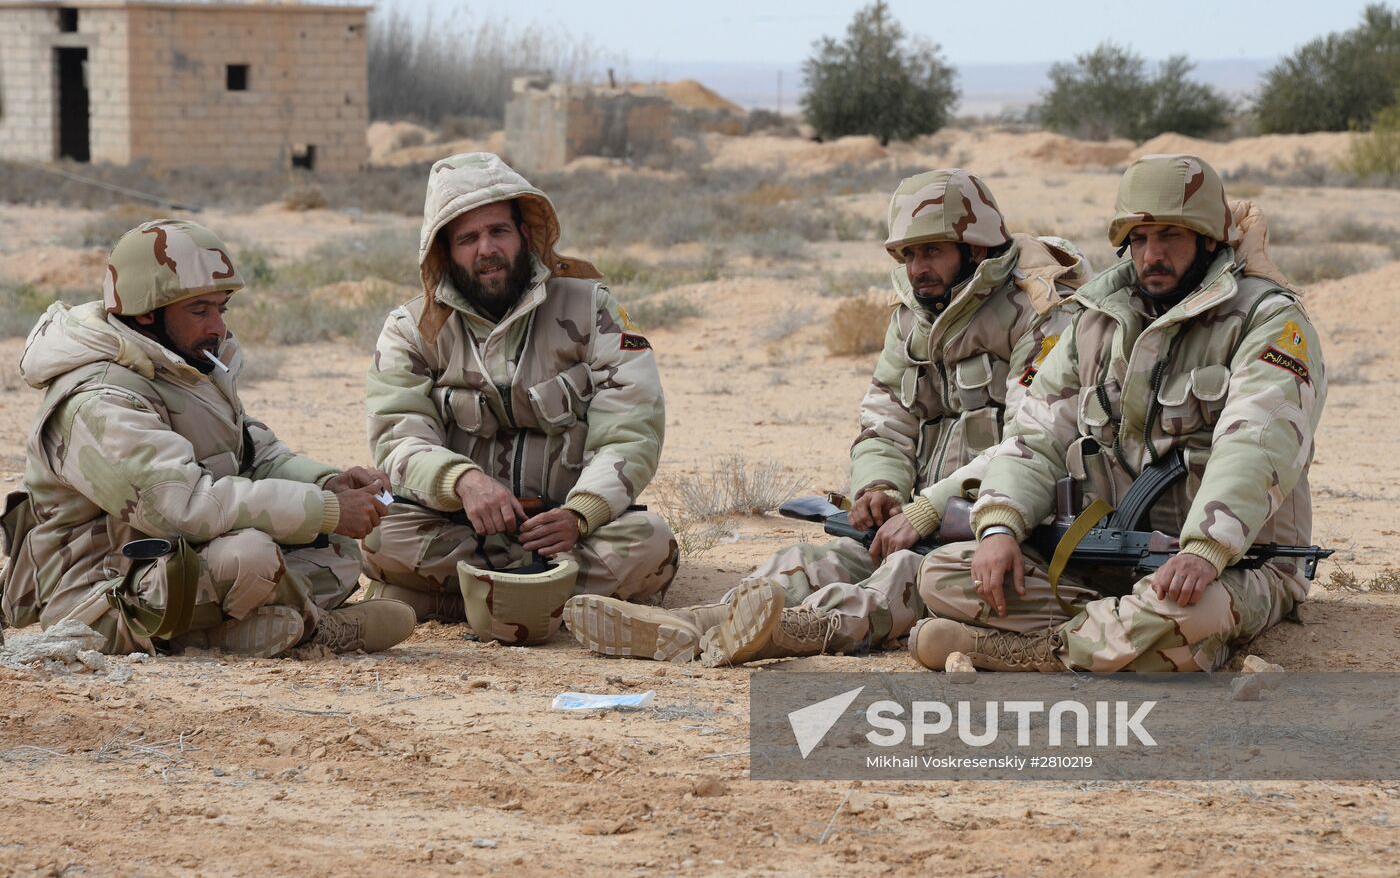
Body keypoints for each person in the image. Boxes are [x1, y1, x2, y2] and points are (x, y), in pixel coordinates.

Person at [565, 168, 1088, 664]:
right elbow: (886, 418)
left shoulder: (1041, 311)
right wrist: (877, 487)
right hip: (918, 518)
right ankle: (701, 621)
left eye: (931, 251)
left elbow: (1032, 441)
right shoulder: (917, 312)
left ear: (975, 249)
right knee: (805, 561)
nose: (916, 268)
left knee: (905, 574)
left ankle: (790, 633)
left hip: (1003, 524)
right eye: (907, 254)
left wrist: (929, 508)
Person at [911, 154, 1326, 673]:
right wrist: (999, 527)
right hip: (1106, 558)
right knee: (946, 573)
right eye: (1137, 239)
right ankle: (1134, 639)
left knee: (1192, 610)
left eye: (1170, 236)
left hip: (1232, 564)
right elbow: (1035, 436)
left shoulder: (1267, 319)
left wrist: (1204, 550)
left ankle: (1033, 651)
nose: (1151, 254)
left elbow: (1259, 442)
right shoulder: (1095, 321)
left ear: (1209, 240)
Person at [0, 220, 416, 657]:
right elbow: (182, 508)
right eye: (200, 311)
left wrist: (327, 483)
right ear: (147, 313)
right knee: (250, 555)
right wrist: (326, 509)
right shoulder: (100, 399)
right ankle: (313, 628)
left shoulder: (182, 365)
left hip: (172, 562)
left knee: (334, 546)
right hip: (100, 593)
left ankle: (235, 632)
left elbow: (253, 453)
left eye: (222, 308)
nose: (218, 326)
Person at [361, 152, 677, 625]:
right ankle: (549, 598)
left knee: (651, 544)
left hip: (571, 532)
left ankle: (455, 600)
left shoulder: (592, 310)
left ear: (525, 235)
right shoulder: (410, 330)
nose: (486, 248)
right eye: (468, 238)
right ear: (445, 251)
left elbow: (631, 430)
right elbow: (398, 438)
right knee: (373, 536)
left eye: (498, 231)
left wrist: (580, 514)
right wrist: (463, 483)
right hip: (458, 527)